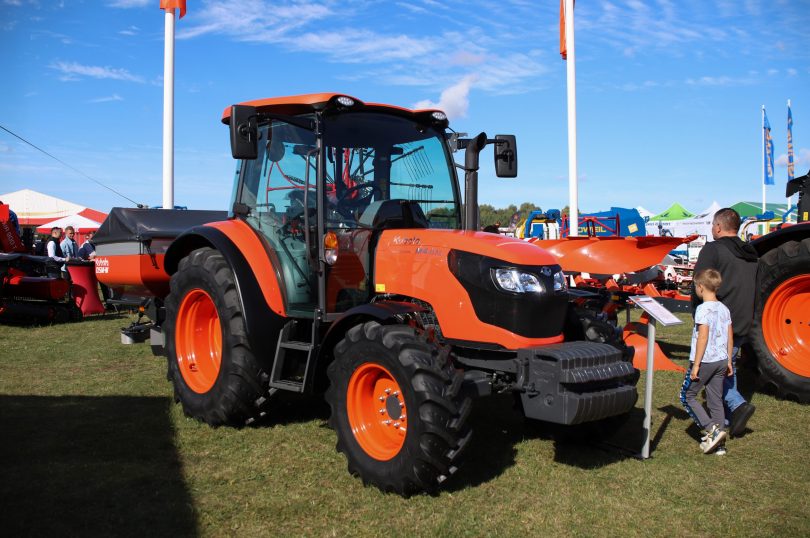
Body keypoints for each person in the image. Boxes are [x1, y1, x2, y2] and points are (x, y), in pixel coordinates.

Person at [691, 208, 757, 437]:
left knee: (714, 369)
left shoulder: (713, 249)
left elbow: (699, 283)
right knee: (729, 364)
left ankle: (738, 406)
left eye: (712, 225)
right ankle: (728, 417)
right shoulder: (750, 252)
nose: (712, 229)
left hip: (718, 320)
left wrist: (697, 315)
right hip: (742, 318)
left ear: (718, 227)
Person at [681, 269, 733, 455]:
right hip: (720, 360)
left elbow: (703, 336)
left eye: (695, 286)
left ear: (701, 287)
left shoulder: (702, 309)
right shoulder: (724, 308)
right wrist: (729, 360)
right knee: (715, 400)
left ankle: (712, 430)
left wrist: (696, 364)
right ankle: (720, 446)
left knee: (687, 396)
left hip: (705, 361)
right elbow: (729, 335)